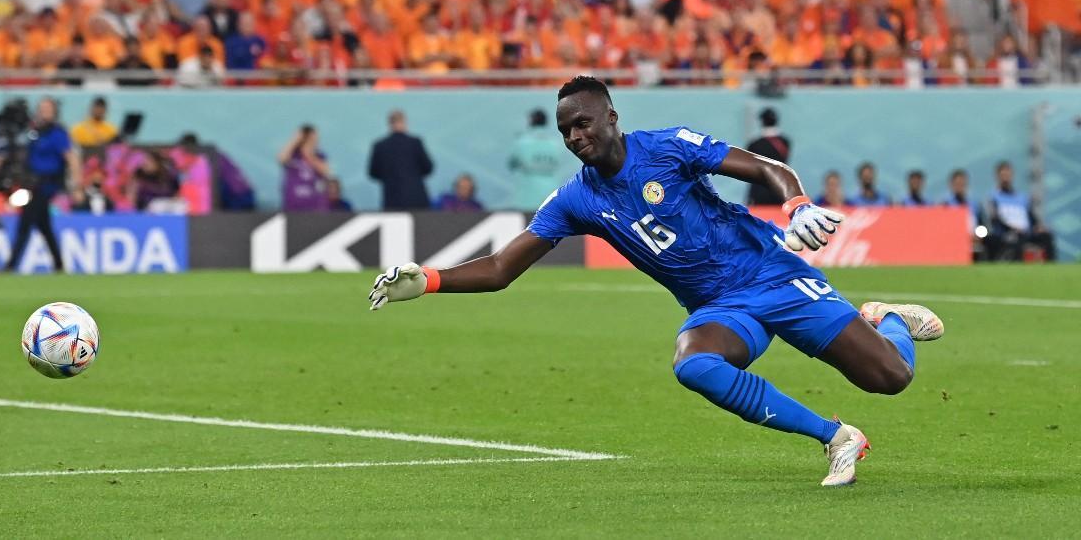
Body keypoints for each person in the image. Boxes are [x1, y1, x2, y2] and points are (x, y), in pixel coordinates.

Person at [367, 76, 946, 487]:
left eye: (583, 123)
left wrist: (795, 206)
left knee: (890, 378)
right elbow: (500, 270)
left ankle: (887, 320)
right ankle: (836, 436)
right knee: (692, 362)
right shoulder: (575, 200)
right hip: (722, 307)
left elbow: (765, 166)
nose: (574, 138)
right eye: (566, 130)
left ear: (612, 117)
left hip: (771, 272)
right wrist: (430, 280)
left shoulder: (668, 148)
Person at [6, 98, 78, 273]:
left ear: (54, 112)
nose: (44, 111)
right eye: (42, 108)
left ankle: (11, 265)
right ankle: (59, 264)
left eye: (48, 108)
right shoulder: (35, 132)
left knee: (25, 223)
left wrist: (76, 183)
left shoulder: (57, 133)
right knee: (44, 226)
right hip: (31, 183)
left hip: (46, 184)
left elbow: (71, 157)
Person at [984, 161, 1055, 261]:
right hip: (1006, 234)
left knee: (1046, 236)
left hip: (1026, 233)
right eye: (1003, 175)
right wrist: (1012, 229)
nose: (1005, 178)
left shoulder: (1022, 198)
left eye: (1008, 174)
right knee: (1014, 239)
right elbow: (995, 219)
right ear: (997, 177)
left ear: (1012, 175)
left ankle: (1051, 266)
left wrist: (1039, 227)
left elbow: (1032, 217)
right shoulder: (993, 197)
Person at [368, 110, 434, 210]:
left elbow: (373, 172)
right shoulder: (415, 143)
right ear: (404, 122)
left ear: (390, 124)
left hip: (392, 199)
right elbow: (428, 167)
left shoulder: (380, 146)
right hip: (416, 198)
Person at [508, 108, 564, 211]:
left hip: (526, 198)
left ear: (530, 122)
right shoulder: (556, 144)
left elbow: (511, 164)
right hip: (550, 195)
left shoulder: (521, 142)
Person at [278, 125, 331, 211]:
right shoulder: (293, 155)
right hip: (294, 205)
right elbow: (281, 159)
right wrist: (295, 140)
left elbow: (326, 171)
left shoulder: (320, 156)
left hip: (315, 206)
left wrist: (308, 152)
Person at [744, 108, 790, 205]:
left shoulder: (754, 144)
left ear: (762, 122)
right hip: (780, 190)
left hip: (758, 192)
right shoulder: (785, 142)